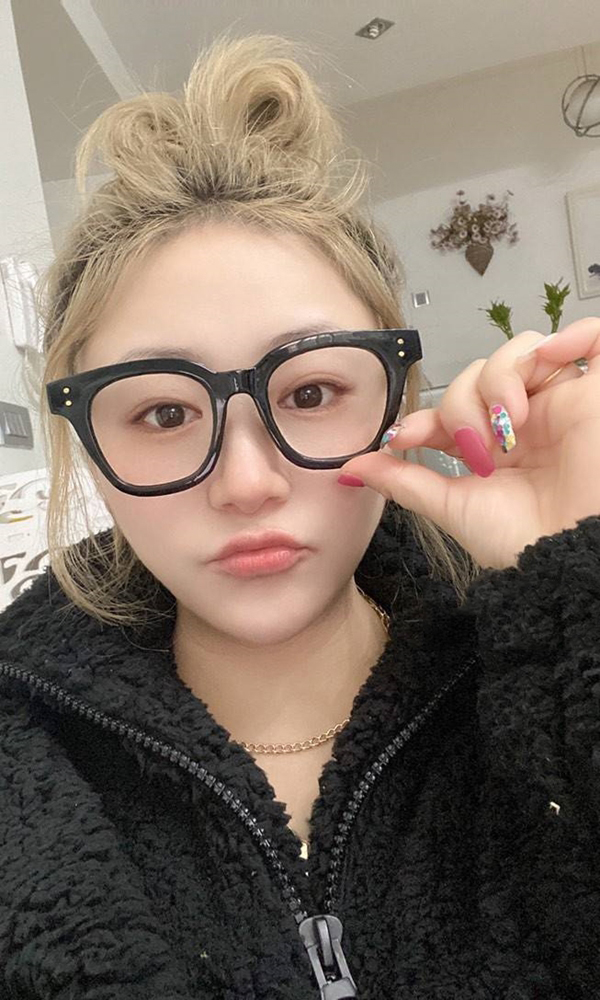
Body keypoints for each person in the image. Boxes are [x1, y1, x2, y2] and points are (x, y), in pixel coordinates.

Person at [0, 31, 599, 1000]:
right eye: (163, 414)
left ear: (398, 397)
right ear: (89, 447)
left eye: (312, 393)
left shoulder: (540, 663)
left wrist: (580, 578)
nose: (246, 483)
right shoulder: (22, 757)